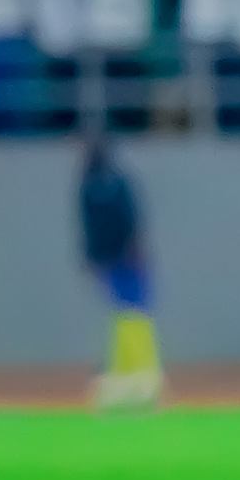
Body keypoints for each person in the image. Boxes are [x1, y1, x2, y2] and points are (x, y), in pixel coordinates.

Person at [78, 141, 163, 410]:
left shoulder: (108, 186)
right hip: (114, 259)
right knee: (129, 313)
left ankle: (137, 373)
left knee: (130, 313)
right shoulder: (95, 188)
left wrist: (133, 252)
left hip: (122, 258)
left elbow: (129, 219)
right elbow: (91, 225)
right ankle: (133, 373)